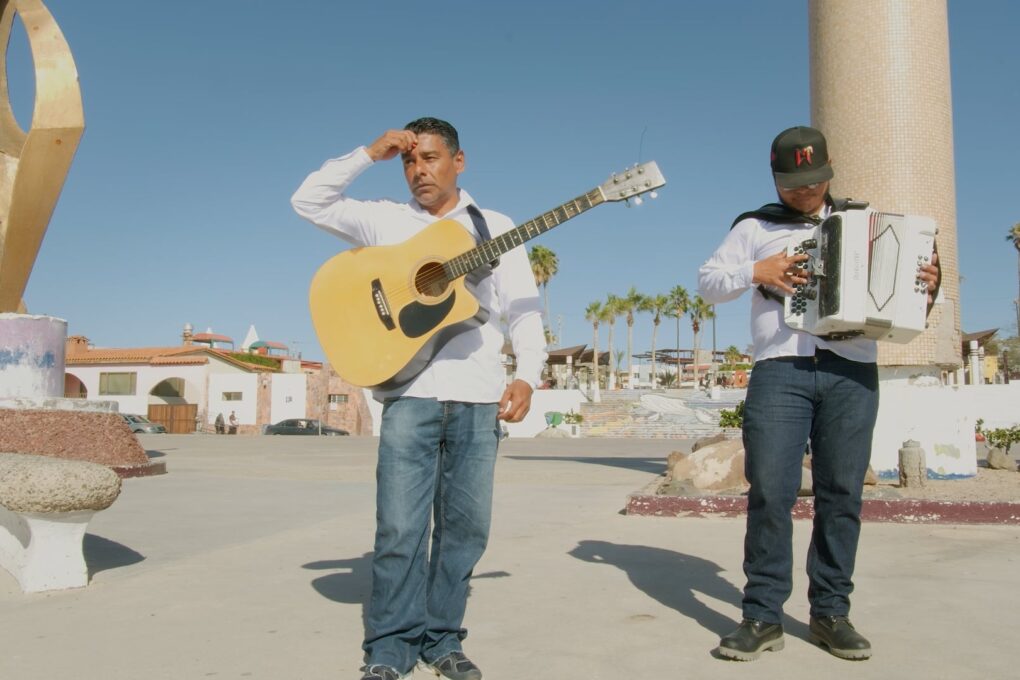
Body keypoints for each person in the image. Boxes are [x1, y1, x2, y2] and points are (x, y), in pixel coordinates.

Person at [291, 117, 547, 680]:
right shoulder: (386, 219)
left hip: (478, 396)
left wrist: (528, 375)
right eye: (410, 161)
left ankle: (443, 639)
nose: (418, 170)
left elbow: (524, 309)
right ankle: (389, 646)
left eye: (430, 158)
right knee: (400, 529)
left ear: (459, 161)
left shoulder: (494, 227)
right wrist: (368, 153)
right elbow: (308, 201)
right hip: (409, 394)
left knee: (465, 531)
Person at [698, 126, 940, 662]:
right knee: (770, 492)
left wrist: (928, 281)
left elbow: (914, 293)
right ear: (775, 179)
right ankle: (762, 616)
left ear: (829, 172)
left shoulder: (866, 223)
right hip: (779, 371)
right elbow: (708, 283)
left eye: (813, 181)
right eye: (793, 184)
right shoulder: (755, 226)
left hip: (851, 371)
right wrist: (755, 270)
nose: (804, 192)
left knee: (842, 495)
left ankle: (831, 612)